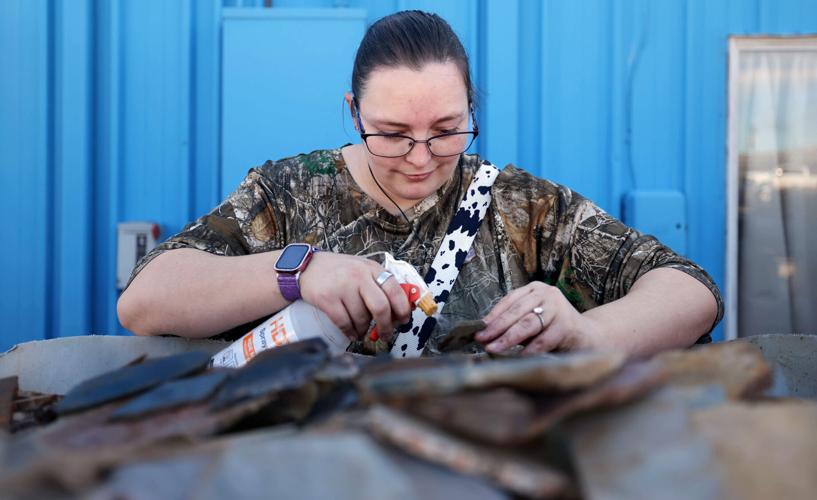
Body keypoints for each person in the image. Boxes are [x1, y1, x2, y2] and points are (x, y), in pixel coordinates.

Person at [118, 10, 722, 358]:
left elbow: (692, 290)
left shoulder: (522, 207)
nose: (421, 158)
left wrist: (589, 331)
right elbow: (143, 301)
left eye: (447, 129)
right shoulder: (289, 192)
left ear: (470, 109)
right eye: (391, 132)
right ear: (353, 113)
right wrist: (297, 271)